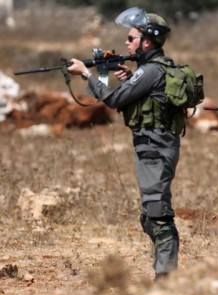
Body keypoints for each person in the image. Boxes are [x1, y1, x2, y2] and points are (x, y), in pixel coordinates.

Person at [68, 7, 180, 280]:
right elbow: (143, 97)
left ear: (147, 41)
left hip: (155, 147)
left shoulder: (152, 70)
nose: (126, 43)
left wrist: (86, 74)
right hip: (150, 145)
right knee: (149, 214)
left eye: (131, 38)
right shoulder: (148, 70)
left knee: (157, 213)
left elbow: (115, 100)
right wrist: (130, 79)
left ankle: (167, 280)